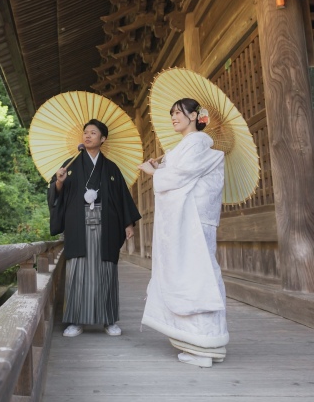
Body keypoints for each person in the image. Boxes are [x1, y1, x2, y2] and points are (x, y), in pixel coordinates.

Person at [138, 98, 228, 367]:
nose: (174, 117)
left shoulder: (198, 143)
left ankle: (203, 346)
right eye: (172, 113)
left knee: (197, 276)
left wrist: (154, 172)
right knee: (195, 274)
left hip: (194, 221)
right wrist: (162, 165)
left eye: (179, 112)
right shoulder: (187, 145)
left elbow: (181, 176)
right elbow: (179, 171)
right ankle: (202, 344)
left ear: (194, 116)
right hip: (192, 220)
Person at [48, 119, 141, 337]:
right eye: (85, 133)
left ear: (103, 139)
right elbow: (56, 194)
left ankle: (108, 320)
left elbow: (122, 197)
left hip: (105, 224)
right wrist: (59, 182)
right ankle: (76, 321)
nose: (87, 136)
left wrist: (128, 223)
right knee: (78, 272)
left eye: (93, 133)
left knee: (105, 271)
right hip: (78, 224)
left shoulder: (111, 168)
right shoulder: (69, 165)